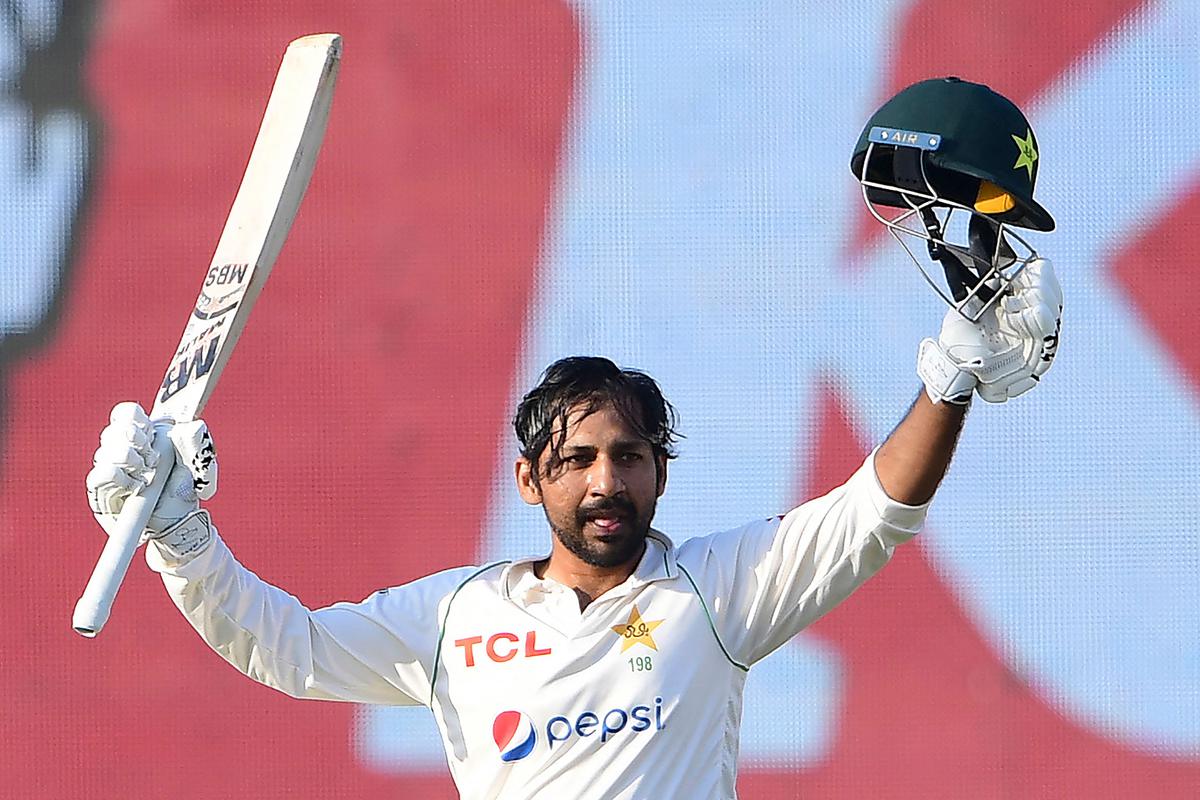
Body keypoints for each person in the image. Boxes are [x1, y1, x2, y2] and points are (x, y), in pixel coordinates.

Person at [85, 78, 1062, 800]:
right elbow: (282, 645)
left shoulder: (716, 593)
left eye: (628, 455)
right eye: (577, 458)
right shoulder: (456, 620)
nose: (606, 480)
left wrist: (951, 374)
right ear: (527, 479)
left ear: (660, 471)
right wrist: (179, 534)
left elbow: (874, 513)